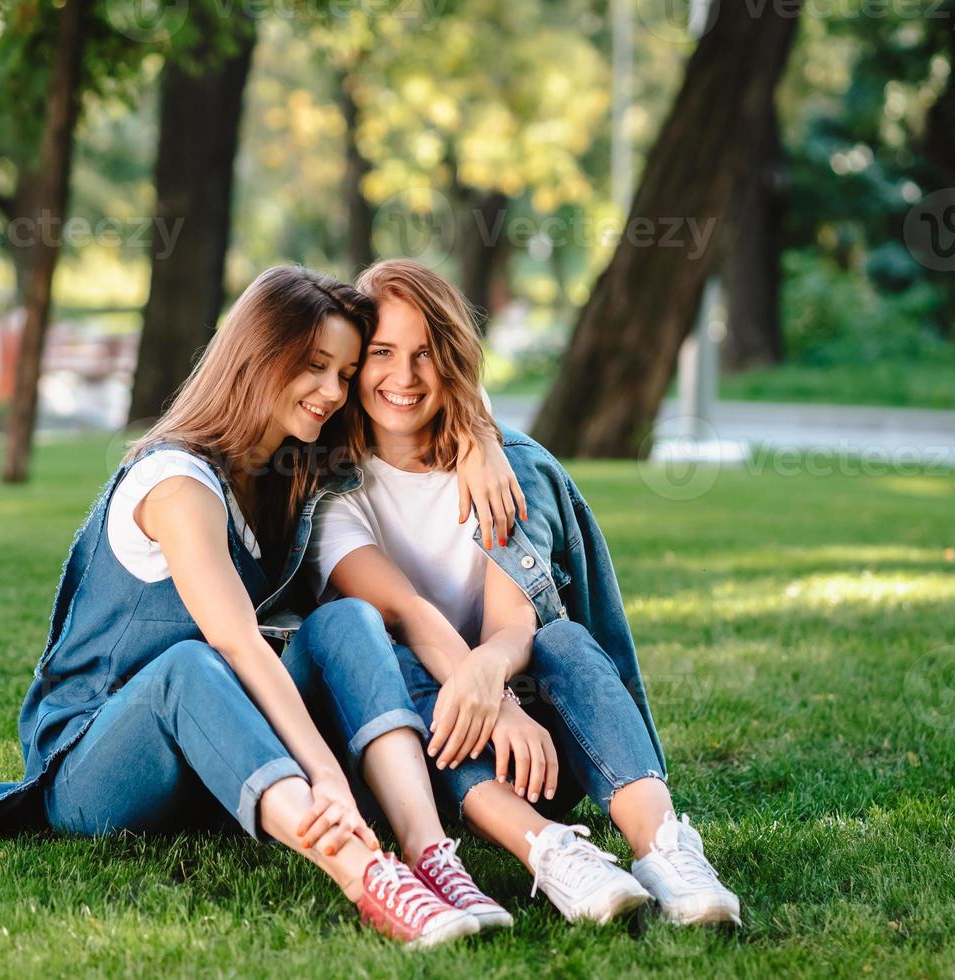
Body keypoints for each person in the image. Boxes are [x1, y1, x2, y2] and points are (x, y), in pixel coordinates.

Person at [0, 266, 524, 948]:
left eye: (343, 372)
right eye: (313, 366)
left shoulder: (284, 470)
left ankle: (429, 858)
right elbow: (239, 644)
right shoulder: (177, 481)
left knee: (347, 620)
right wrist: (327, 777)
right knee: (193, 663)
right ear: (257, 357)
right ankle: (367, 876)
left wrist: (481, 437)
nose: (332, 393)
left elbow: (405, 406)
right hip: (97, 770)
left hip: (217, 757)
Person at [306, 259, 743, 927]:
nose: (404, 376)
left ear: (453, 359)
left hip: (534, 752)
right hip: (419, 761)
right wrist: (492, 703)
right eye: (382, 354)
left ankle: (665, 851)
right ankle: (550, 853)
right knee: (397, 653)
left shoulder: (505, 468)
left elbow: (515, 623)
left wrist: (493, 680)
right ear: (354, 364)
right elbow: (409, 615)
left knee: (559, 637)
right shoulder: (335, 494)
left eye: (426, 353)